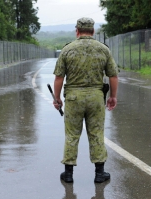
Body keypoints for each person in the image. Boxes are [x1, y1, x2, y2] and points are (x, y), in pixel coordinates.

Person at [53, 17, 119, 183]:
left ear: (77, 31)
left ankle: (68, 174)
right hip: (96, 97)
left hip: (73, 98)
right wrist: (112, 96)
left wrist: (57, 98)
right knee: (96, 133)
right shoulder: (103, 49)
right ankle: (99, 173)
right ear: (93, 31)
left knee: (71, 135)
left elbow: (59, 77)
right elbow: (113, 75)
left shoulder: (67, 50)